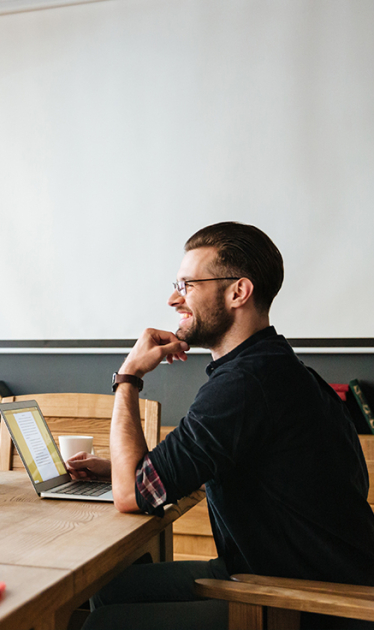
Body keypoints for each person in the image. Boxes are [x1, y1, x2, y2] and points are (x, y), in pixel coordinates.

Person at [67, 222, 374, 629]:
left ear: (237, 292)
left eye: (188, 285)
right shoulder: (277, 369)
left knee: (103, 624)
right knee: (108, 589)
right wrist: (121, 466)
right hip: (279, 572)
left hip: (311, 602)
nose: (174, 298)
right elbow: (224, 462)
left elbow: (131, 496)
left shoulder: (245, 384)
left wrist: (128, 379)